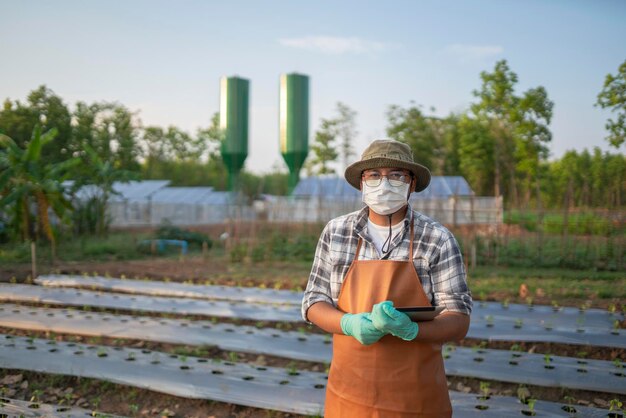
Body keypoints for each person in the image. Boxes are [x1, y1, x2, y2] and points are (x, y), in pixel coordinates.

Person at [301, 139, 472, 418]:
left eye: (396, 175)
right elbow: (313, 301)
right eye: (374, 175)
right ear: (361, 183)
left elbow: (459, 319)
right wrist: (347, 322)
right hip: (350, 394)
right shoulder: (336, 233)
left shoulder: (437, 239)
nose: (384, 184)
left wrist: (412, 330)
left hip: (415, 398)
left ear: (412, 183)